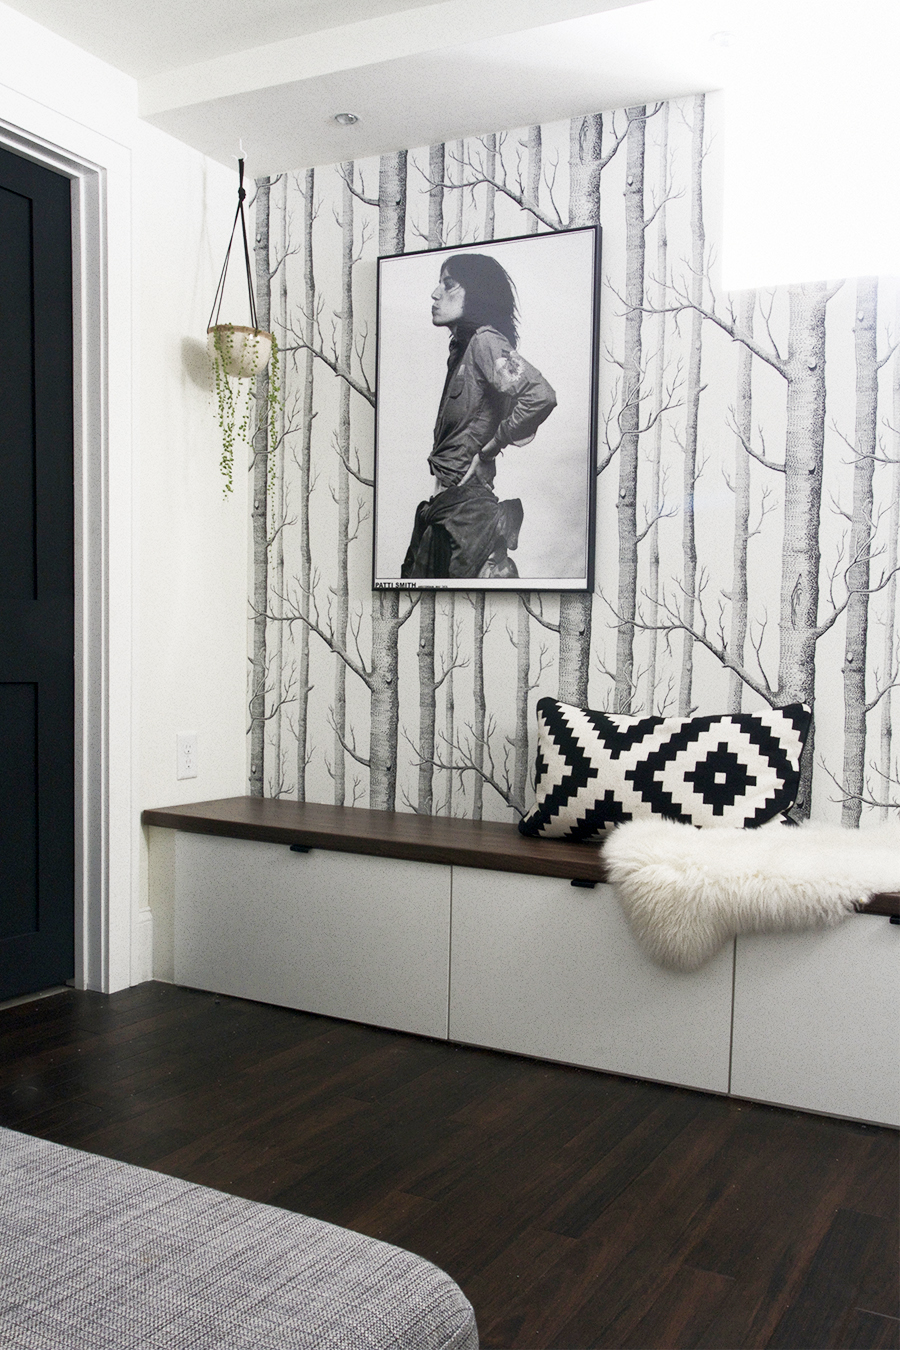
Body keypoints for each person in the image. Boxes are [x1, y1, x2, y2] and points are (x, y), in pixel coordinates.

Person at [400, 252, 557, 580]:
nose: (435, 293)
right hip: (445, 509)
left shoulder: (486, 342)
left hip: (468, 513)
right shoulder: (462, 349)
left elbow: (539, 395)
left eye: (449, 285)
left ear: (477, 293)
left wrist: (493, 444)